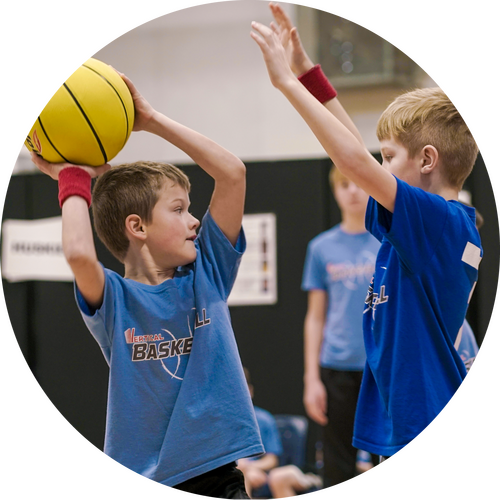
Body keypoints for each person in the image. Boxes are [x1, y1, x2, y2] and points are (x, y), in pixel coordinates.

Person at [251, 2, 482, 466]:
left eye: (389, 157)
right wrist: (309, 73)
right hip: (405, 413)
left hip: (423, 414)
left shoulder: (441, 221)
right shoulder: (430, 224)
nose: (380, 168)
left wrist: (286, 84)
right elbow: (356, 151)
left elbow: (353, 161)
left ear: (427, 160)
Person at [30, 68, 264, 498]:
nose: (194, 221)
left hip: (220, 478)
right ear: (137, 226)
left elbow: (232, 173)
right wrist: (72, 178)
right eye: (178, 209)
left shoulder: (207, 273)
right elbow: (79, 253)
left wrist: (151, 119)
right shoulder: (115, 300)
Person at [302, 164, 380, 489]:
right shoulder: (321, 248)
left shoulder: (387, 241)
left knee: (385, 453)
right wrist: (311, 379)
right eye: (344, 184)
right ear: (335, 191)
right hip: (336, 369)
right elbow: (315, 316)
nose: (353, 191)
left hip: (380, 366)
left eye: (358, 183)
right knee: (337, 466)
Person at [237, 368, 282, 498]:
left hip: (256, 473)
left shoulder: (264, 419)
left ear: (250, 391)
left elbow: (272, 460)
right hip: (231, 472)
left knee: (242, 476)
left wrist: (249, 467)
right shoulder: (220, 421)